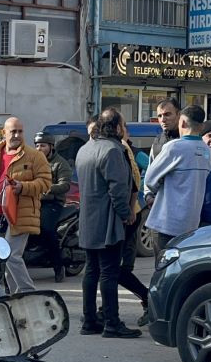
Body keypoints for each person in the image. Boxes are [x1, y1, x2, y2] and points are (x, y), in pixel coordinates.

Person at [74, 109, 142, 339]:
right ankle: (112, 323)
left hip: (88, 220)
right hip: (108, 222)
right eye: (123, 124)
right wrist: (127, 214)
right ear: (116, 127)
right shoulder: (113, 150)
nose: (125, 128)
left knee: (91, 271)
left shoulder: (85, 149)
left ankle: (90, 320)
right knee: (109, 274)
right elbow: (118, 190)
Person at [0, 117, 52, 295]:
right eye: (13, 131)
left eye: (20, 131)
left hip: (21, 214)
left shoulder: (34, 156)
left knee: (12, 255)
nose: (16, 135)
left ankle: (28, 292)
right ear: (3, 133)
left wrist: (23, 187)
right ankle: (15, 297)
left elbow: (45, 183)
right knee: (5, 257)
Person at [143, 105, 211, 256]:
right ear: (202, 126)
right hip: (192, 223)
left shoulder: (174, 147)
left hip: (167, 223)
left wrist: (153, 191)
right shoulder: (206, 150)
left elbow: (149, 179)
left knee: (163, 270)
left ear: (182, 123)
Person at [115, 121, 150, 326]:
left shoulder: (133, 153)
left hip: (130, 216)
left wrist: (142, 195)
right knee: (114, 270)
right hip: (121, 216)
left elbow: (149, 172)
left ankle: (148, 298)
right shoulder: (113, 151)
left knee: (119, 269)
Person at [34, 131, 71, 283]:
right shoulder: (32, 162)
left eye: (42, 145)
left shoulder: (60, 163)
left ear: (51, 146)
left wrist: (48, 188)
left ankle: (58, 266)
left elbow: (65, 184)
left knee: (47, 229)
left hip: (53, 202)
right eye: (36, 145)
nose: (39, 148)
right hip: (35, 200)